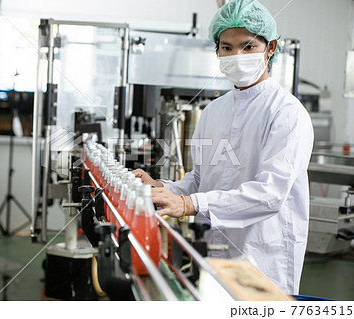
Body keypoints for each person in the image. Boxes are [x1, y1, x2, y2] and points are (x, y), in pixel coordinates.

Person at [133, 0, 313, 295]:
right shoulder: (214, 111)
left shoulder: (287, 113)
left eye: (248, 46)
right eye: (226, 48)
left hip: (263, 257)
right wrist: (163, 188)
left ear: (270, 48)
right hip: (214, 252)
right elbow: (200, 180)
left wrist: (190, 205)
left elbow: (270, 194)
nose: (236, 56)